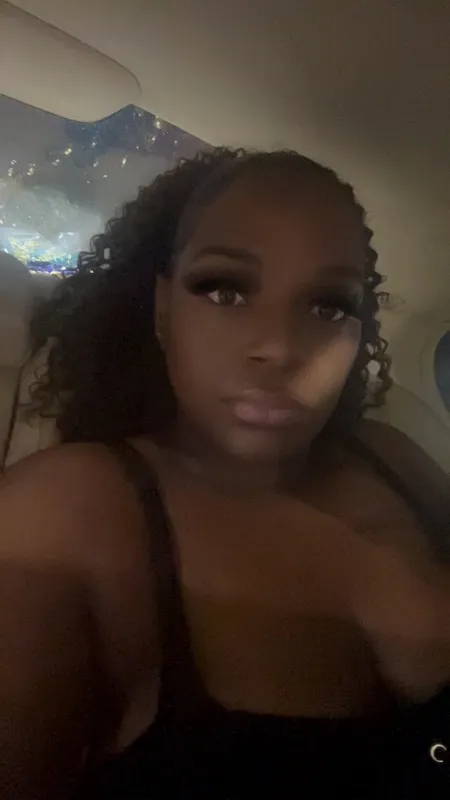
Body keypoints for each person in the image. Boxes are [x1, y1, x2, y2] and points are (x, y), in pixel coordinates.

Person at [1, 148, 450, 799]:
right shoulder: (62, 513)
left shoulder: (395, 457)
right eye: (225, 289)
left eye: (328, 305)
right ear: (163, 312)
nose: (279, 347)